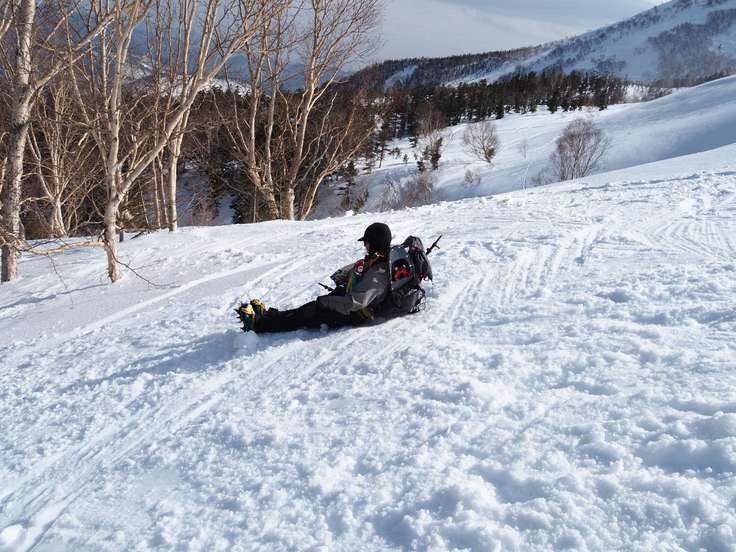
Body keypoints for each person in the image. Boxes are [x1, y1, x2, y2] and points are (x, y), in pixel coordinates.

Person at [236, 222, 392, 333]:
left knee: (307, 314)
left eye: (367, 243)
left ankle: (258, 325)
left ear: (374, 244)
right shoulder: (377, 261)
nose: (365, 246)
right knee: (308, 309)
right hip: (351, 304)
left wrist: (327, 302)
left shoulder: (379, 273)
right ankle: (268, 316)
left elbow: (355, 303)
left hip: (354, 314)